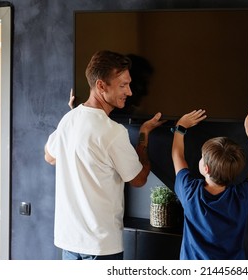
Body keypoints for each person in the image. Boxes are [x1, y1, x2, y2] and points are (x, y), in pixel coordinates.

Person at [44, 50, 165, 260]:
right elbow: (138, 179)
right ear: (101, 86)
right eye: (122, 85)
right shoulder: (113, 132)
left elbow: (50, 156)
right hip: (100, 248)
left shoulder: (68, 120)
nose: (129, 92)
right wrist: (144, 133)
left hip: (68, 244)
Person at [171, 108, 248, 259]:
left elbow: (177, 155)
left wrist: (181, 127)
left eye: (202, 157)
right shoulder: (241, 198)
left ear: (206, 168)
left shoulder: (190, 192)